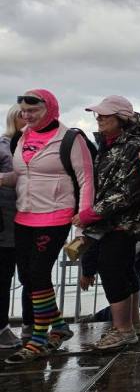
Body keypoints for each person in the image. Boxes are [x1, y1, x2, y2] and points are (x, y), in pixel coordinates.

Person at [2, 90, 92, 363]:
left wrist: (84, 217)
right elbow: (23, 175)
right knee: (28, 277)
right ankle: (60, 326)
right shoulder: (22, 137)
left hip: (56, 215)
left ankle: (39, 338)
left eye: (34, 111)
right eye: (24, 111)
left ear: (50, 109)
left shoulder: (70, 139)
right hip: (24, 215)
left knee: (39, 273)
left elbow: (86, 179)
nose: (27, 116)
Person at [73, 96, 140, 350]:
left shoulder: (132, 146)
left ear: (121, 118)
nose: (99, 119)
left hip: (126, 221)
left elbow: (126, 190)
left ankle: (123, 330)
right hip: (113, 221)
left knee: (112, 270)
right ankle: (134, 323)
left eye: (105, 115)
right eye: (98, 115)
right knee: (125, 269)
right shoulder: (111, 144)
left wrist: (91, 214)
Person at [0, 106, 24, 349]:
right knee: (3, 277)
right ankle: (2, 328)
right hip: (5, 225)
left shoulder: (36, 146)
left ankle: (32, 325)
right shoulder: (3, 146)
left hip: (27, 222)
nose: (27, 118)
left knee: (29, 277)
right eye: (21, 114)